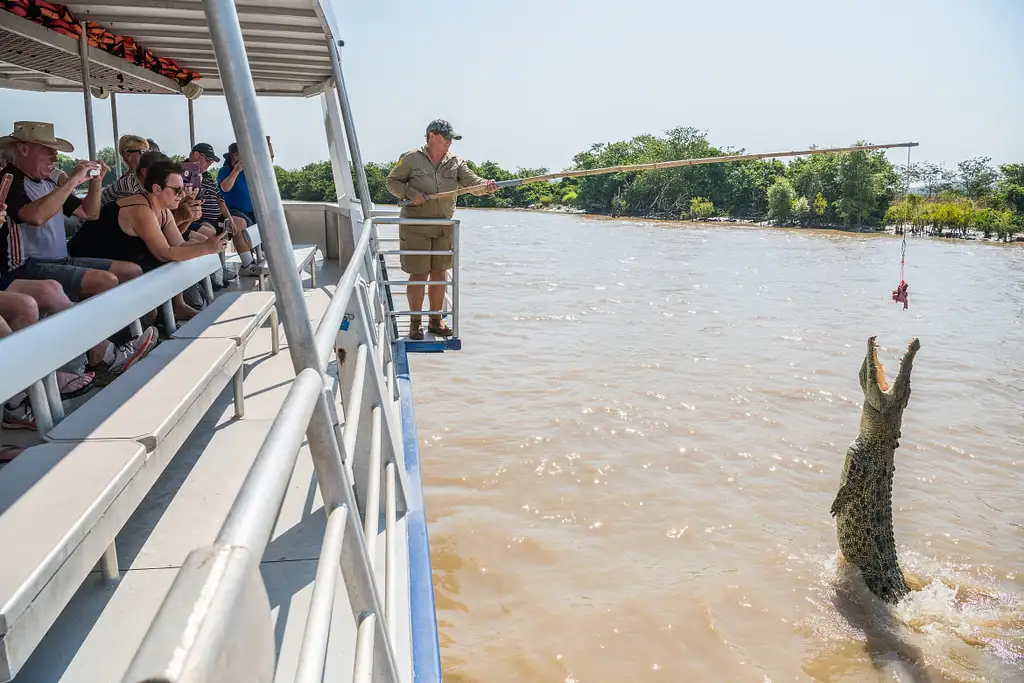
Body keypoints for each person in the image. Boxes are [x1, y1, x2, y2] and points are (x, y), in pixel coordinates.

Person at [68, 160, 227, 321]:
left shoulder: (163, 209)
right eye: (177, 190)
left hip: (119, 257)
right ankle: (149, 323)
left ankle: (175, 308)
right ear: (157, 189)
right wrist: (206, 248)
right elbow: (165, 254)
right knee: (158, 264)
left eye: (183, 189)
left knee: (169, 262)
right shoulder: (141, 210)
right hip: (84, 258)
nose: (183, 195)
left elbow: (179, 245)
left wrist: (209, 244)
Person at [385, 119, 498, 339]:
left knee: (439, 275)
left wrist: (486, 186)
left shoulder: (456, 162)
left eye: (451, 139)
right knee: (418, 274)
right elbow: (392, 182)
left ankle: (436, 321)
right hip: (415, 227)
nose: (449, 142)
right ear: (432, 136)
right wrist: (411, 194)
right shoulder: (410, 158)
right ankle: (415, 324)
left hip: (444, 228)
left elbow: (473, 183)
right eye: (446, 138)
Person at [187, 142, 257, 274]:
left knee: (238, 223)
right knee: (212, 233)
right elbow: (225, 188)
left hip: (218, 217)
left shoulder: (207, 176)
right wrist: (237, 169)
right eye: (207, 160)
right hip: (199, 218)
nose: (209, 164)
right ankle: (217, 272)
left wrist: (229, 218)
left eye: (211, 161)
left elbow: (220, 199)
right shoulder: (184, 173)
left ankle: (248, 263)